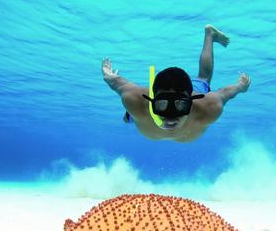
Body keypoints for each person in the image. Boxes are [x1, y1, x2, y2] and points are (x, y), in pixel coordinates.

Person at [102, 24, 251, 142]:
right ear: (152, 100)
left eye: (180, 104)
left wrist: (240, 87)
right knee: (129, 117)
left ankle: (209, 35)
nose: (170, 117)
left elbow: (226, 93)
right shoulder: (135, 101)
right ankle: (130, 117)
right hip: (143, 109)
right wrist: (108, 75)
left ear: (192, 101)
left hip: (186, 96)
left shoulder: (208, 107)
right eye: (162, 104)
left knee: (204, 78)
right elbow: (117, 83)